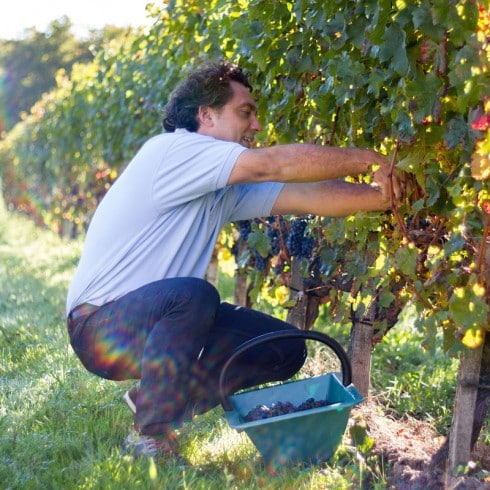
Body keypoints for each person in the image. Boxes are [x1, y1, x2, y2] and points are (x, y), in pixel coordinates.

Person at [66, 59, 400, 459]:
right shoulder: (175, 151)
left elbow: (308, 196)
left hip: (154, 322)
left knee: (284, 348)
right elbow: (273, 164)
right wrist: (370, 159)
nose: (256, 125)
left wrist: (383, 197)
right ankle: (149, 435)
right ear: (205, 116)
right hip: (101, 327)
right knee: (195, 295)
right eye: (245, 112)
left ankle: (156, 398)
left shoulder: (219, 184)